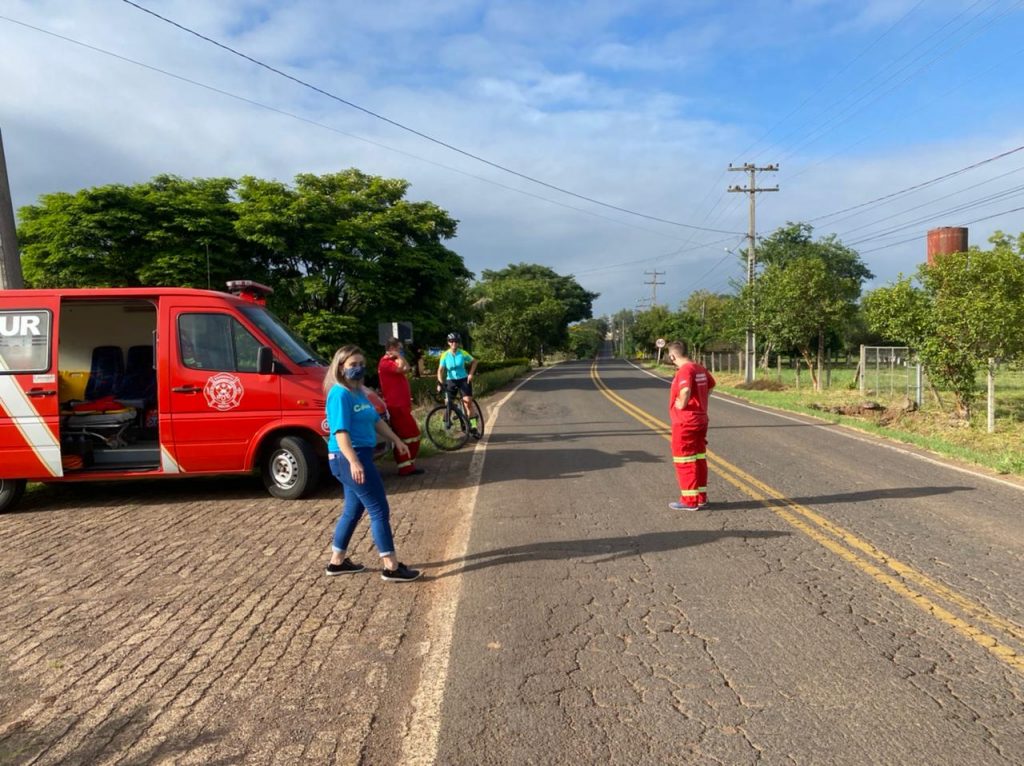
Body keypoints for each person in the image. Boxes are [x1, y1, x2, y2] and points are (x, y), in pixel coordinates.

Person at [323, 345, 421, 582]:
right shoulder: (339, 394)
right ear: (340, 367)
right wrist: (354, 462)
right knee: (379, 509)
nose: (358, 368)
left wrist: (396, 440)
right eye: (352, 365)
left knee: (353, 510)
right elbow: (340, 432)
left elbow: (376, 421)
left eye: (361, 364)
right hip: (349, 457)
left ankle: (337, 562)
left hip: (359, 456)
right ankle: (391, 567)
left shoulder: (358, 392)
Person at [666, 340, 716, 511]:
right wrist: (702, 399)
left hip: (685, 422)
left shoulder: (685, 370)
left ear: (672, 356)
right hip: (700, 419)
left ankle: (689, 501)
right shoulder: (699, 368)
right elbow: (711, 385)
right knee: (699, 459)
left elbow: (685, 390)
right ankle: (700, 497)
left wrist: (682, 403)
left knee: (684, 460)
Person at [377, 337, 424, 476]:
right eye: (399, 348)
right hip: (396, 406)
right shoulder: (385, 362)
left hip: (402, 405)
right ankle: (405, 467)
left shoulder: (393, 360)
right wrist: (398, 356)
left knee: (409, 436)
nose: (401, 351)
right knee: (410, 435)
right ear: (392, 348)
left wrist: (399, 357)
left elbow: (407, 368)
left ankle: (408, 465)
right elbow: (400, 369)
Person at [437, 331, 480, 437]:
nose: (454, 343)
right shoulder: (444, 355)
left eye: (456, 341)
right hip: (451, 381)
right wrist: (440, 383)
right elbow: (440, 370)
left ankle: (474, 427)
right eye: (451, 341)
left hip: (463, 380)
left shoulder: (462, 353)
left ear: (458, 343)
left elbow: (474, 361)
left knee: (468, 402)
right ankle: (447, 425)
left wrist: (470, 374)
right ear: (448, 342)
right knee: (448, 403)